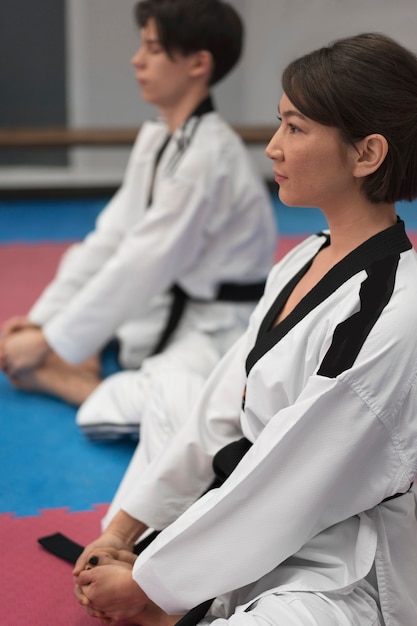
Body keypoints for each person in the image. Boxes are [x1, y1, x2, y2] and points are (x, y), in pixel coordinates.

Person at [71, 32, 417, 625]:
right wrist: (124, 530)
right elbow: (222, 407)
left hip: (339, 563)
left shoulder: (393, 311)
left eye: (296, 128)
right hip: (252, 510)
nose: (273, 148)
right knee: (174, 396)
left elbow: (294, 477)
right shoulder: (303, 259)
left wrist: (152, 586)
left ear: (367, 154)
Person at [0, 0, 276, 440]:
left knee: (150, 416)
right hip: (164, 300)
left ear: (198, 64)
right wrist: (41, 323)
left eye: (151, 48)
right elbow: (112, 240)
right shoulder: (157, 137)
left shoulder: (207, 157)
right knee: (82, 256)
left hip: (215, 325)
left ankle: (76, 378)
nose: (136, 59)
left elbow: (144, 263)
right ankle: (79, 358)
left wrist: (47, 345)